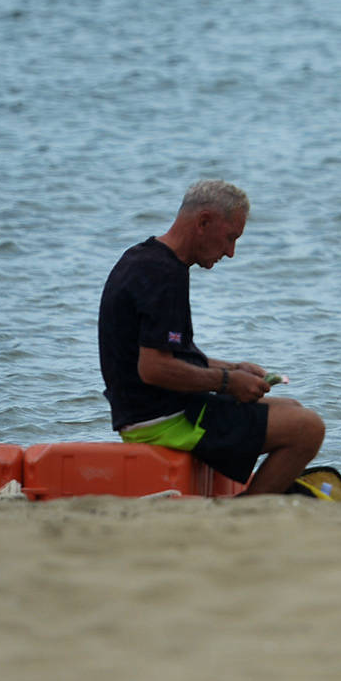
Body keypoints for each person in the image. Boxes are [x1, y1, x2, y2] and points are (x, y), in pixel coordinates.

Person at [97, 179, 326, 495]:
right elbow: (153, 368)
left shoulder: (147, 258)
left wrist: (234, 369)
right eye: (230, 238)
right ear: (203, 222)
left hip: (156, 409)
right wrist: (226, 383)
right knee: (308, 428)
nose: (230, 253)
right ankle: (248, 512)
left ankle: (255, 494)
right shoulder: (162, 274)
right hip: (160, 420)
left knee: (293, 408)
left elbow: (172, 353)